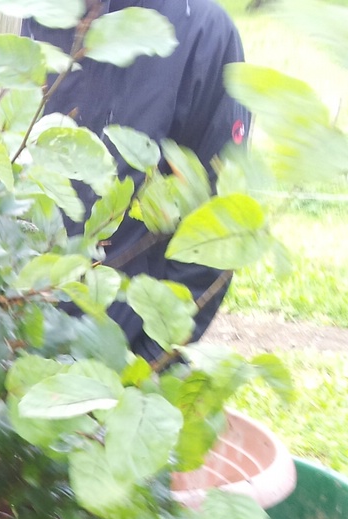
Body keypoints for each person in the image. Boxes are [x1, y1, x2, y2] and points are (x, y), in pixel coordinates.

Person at [23, 0, 250, 360]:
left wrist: (147, 362)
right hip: (1, 342)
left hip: (119, 357)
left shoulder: (202, 32)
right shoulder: (15, 16)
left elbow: (215, 228)